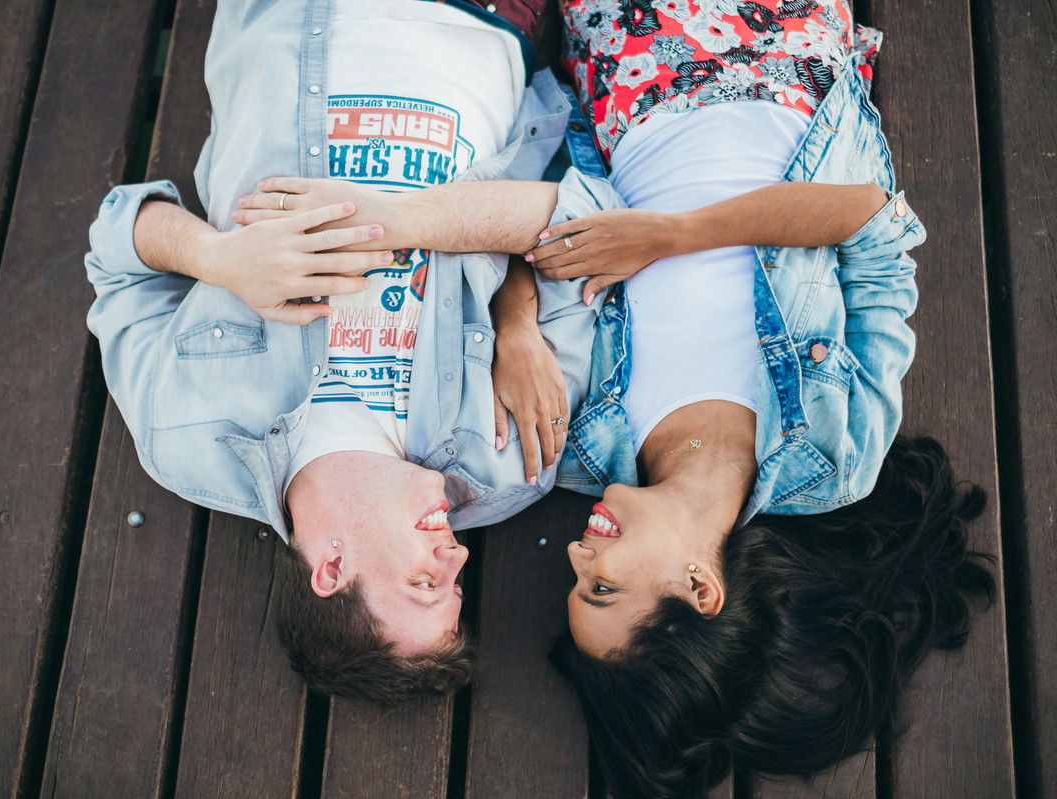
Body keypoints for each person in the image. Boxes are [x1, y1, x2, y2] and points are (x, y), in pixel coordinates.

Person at [241, 0, 995, 791]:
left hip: (626, 69)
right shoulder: (837, 451)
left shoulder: (575, 440)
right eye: (602, 586)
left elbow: (543, 242)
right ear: (700, 588)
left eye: (577, 582)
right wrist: (672, 235)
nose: (577, 554)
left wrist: (515, 326)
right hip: (785, 62)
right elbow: (875, 225)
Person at [83, 0, 600, 705]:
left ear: (330, 570)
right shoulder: (511, 457)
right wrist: (517, 320)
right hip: (479, 21)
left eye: (426, 582)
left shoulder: (181, 432)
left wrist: (219, 258)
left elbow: (114, 249)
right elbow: (585, 224)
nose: (456, 555)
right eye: (457, 581)